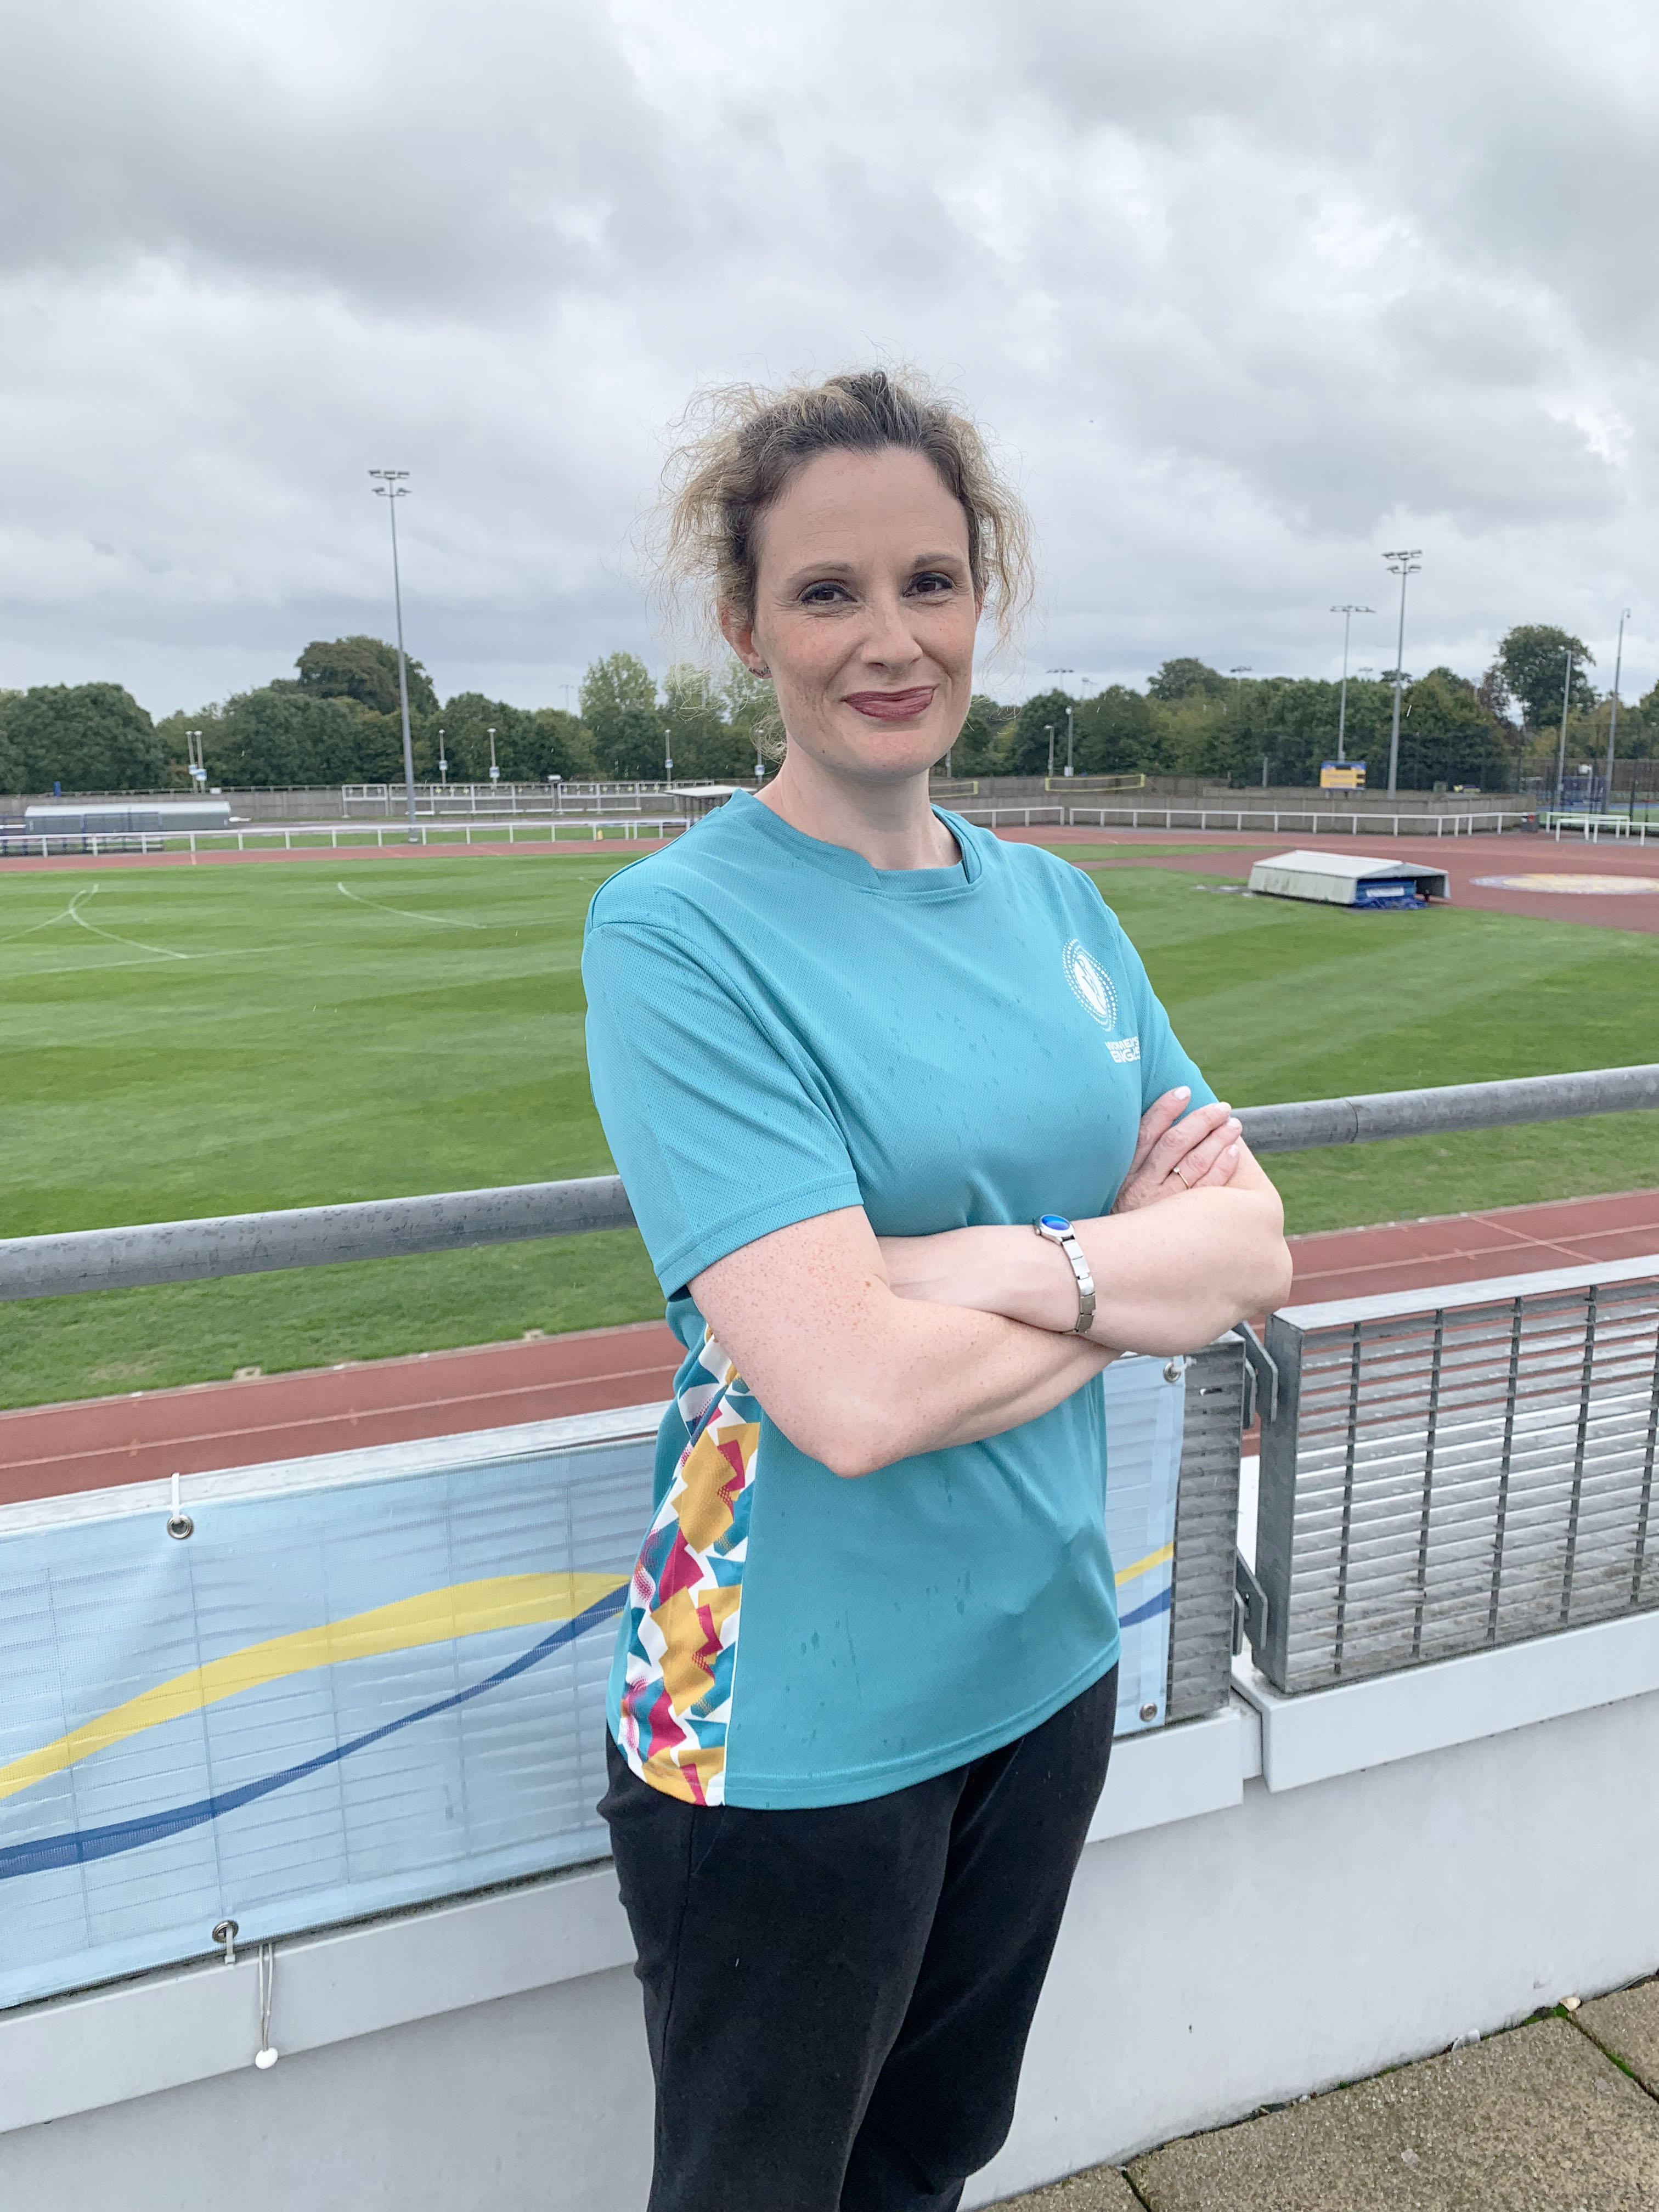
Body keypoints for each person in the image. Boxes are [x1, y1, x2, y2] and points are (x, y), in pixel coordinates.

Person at [581, 369, 1292, 2212]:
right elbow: (851, 1400)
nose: (890, 640)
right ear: (744, 624)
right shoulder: (678, 928)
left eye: (932, 581)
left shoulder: (1059, 905)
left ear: (983, 598)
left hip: (1043, 1662)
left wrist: (975, 1268)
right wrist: (1119, 1277)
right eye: (828, 594)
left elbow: (1254, 1250)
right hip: (781, 1720)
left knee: (927, 2165)